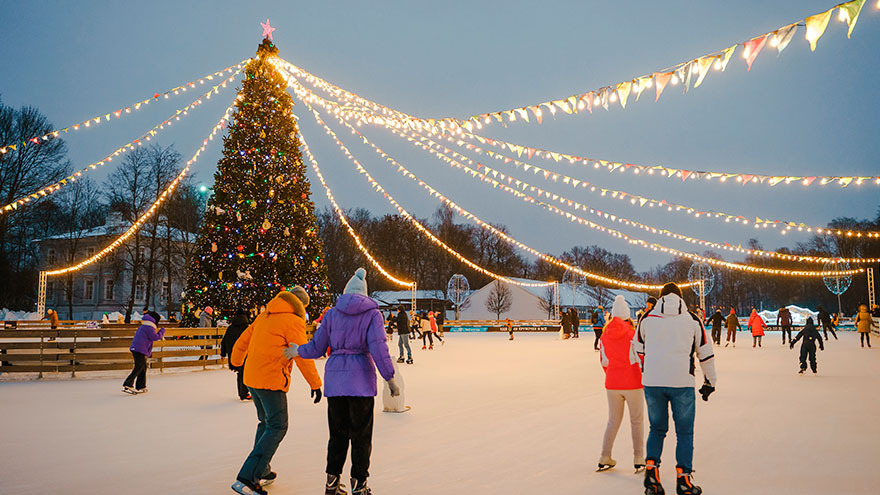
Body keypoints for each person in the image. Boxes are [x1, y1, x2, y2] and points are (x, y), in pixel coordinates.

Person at [291, 268, 399, 495]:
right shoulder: (372, 314)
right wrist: (389, 377)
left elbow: (317, 348)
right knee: (361, 436)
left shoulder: (331, 314)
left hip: (336, 384)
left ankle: (331, 483)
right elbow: (379, 349)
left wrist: (297, 350)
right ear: (364, 294)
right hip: (361, 383)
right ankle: (359, 485)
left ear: (346, 293)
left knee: (337, 435)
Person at [229, 288, 323, 495]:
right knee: (278, 425)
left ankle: (262, 469)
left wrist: (236, 361)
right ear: (300, 305)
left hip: (252, 378)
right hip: (271, 379)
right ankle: (247, 477)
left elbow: (243, 339)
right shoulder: (293, 320)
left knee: (266, 423)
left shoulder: (265, 315)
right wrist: (315, 383)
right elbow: (301, 353)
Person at [633, 283, 716, 495]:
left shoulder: (647, 318)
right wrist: (710, 382)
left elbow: (637, 348)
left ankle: (651, 474)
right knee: (685, 432)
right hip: (682, 383)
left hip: (653, 383)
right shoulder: (692, 319)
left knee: (657, 429)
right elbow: (705, 353)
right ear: (680, 298)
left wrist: (648, 368)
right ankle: (684, 480)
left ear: (660, 298)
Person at [597, 295, 645, 473]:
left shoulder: (604, 337)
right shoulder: (633, 334)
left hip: (612, 384)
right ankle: (639, 457)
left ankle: (605, 455)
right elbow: (640, 358)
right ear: (627, 316)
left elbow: (604, 362)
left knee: (613, 421)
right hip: (633, 383)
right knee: (637, 421)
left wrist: (612, 375)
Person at [123, 311, 165, 394]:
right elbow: (155, 337)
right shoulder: (149, 327)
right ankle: (128, 383)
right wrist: (162, 331)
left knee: (143, 367)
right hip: (140, 349)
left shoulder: (144, 325)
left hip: (137, 349)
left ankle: (141, 385)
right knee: (139, 367)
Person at [220, 310, 252, 401]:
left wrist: (223, 353)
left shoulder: (230, 328)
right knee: (244, 373)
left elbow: (224, 341)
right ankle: (244, 393)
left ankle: (243, 393)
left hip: (234, 354)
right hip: (245, 354)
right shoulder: (246, 328)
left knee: (240, 373)